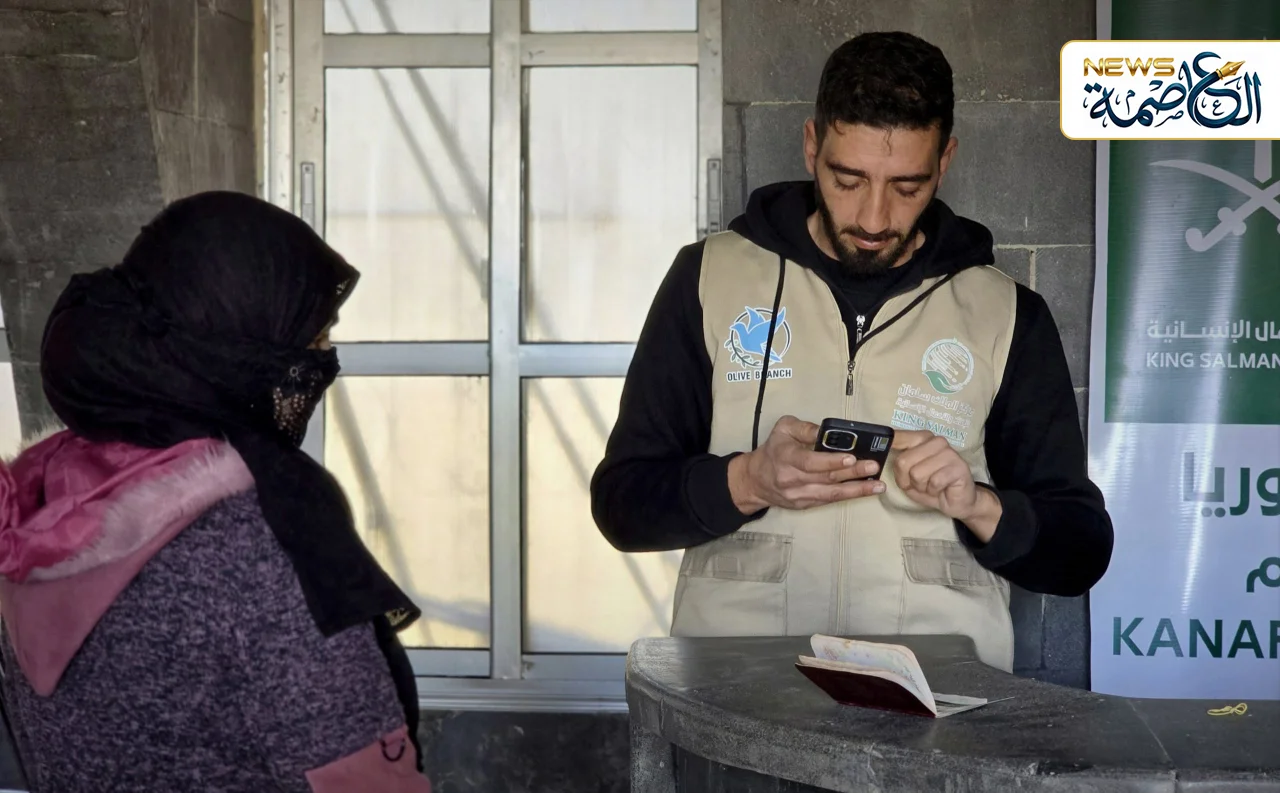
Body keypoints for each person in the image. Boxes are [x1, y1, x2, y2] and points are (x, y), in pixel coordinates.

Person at [590, 32, 1114, 672]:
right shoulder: (709, 279)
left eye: (907, 186)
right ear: (812, 145)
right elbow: (621, 507)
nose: (873, 218)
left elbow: (1081, 553)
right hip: (738, 692)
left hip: (936, 698)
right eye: (848, 179)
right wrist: (749, 479)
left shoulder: (1004, 314)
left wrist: (977, 504)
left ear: (945, 160)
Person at [0, 191, 432, 792]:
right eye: (311, 341)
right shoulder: (260, 543)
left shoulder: (40, 502)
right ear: (233, 350)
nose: (327, 360)